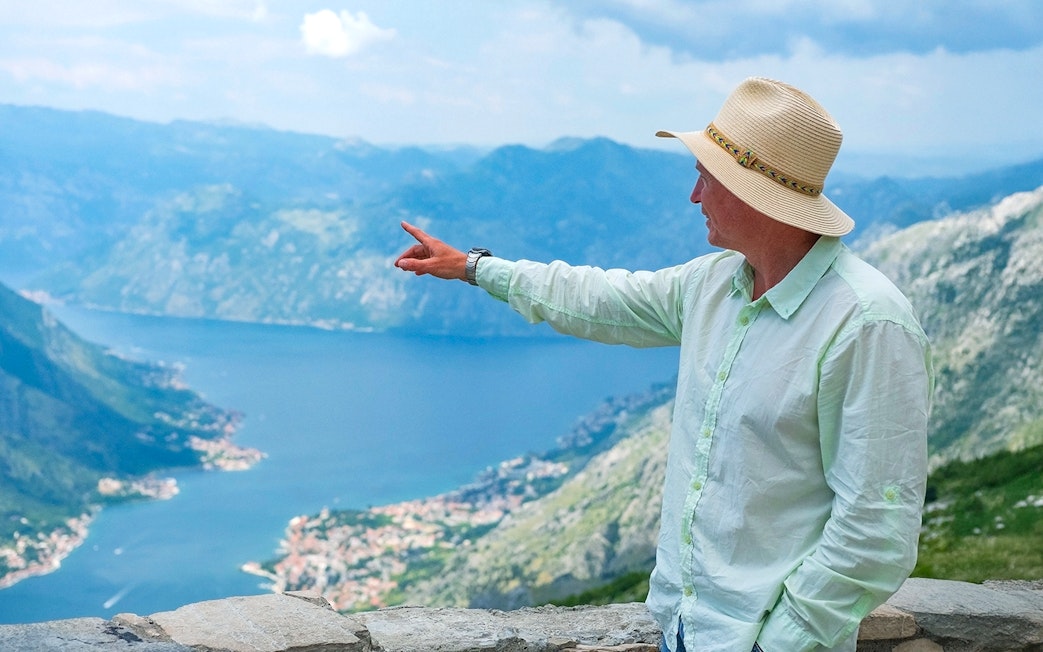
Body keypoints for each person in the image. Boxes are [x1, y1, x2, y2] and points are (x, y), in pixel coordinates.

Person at [394, 77, 933, 652]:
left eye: (705, 176)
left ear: (753, 193)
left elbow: (876, 530)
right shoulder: (715, 284)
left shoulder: (866, 322)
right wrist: (475, 266)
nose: (694, 195)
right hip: (681, 625)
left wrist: (778, 644)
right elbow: (598, 298)